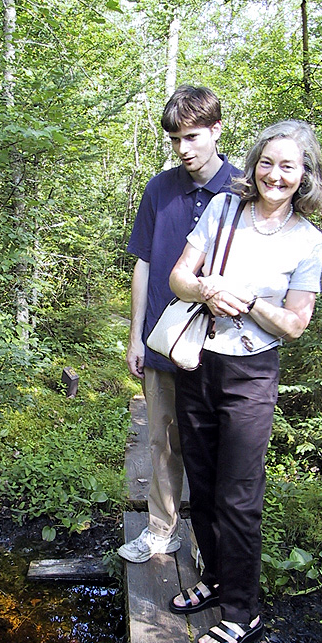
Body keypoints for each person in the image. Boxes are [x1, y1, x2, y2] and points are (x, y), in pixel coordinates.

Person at [167, 119, 322, 643]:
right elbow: (177, 278)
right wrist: (207, 289)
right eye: (267, 162)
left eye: (289, 166)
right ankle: (215, 580)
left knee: (239, 496)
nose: (275, 174)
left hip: (251, 377)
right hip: (198, 363)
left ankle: (244, 610)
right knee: (204, 485)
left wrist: (248, 300)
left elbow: (294, 324)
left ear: (305, 175)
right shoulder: (222, 210)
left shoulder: (308, 240)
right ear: (254, 163)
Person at [118, 85, 241, 564]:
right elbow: (144, 264)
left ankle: (216, 547)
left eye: (192, 136)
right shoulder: (159, 189)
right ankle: (160, 531)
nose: (183, 149)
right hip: (164, 340)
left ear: (216, 129)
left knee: (217, 449)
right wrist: (135, 337)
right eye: (175, 140)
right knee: (162, 440)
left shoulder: (243, 187)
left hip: (223, 345)